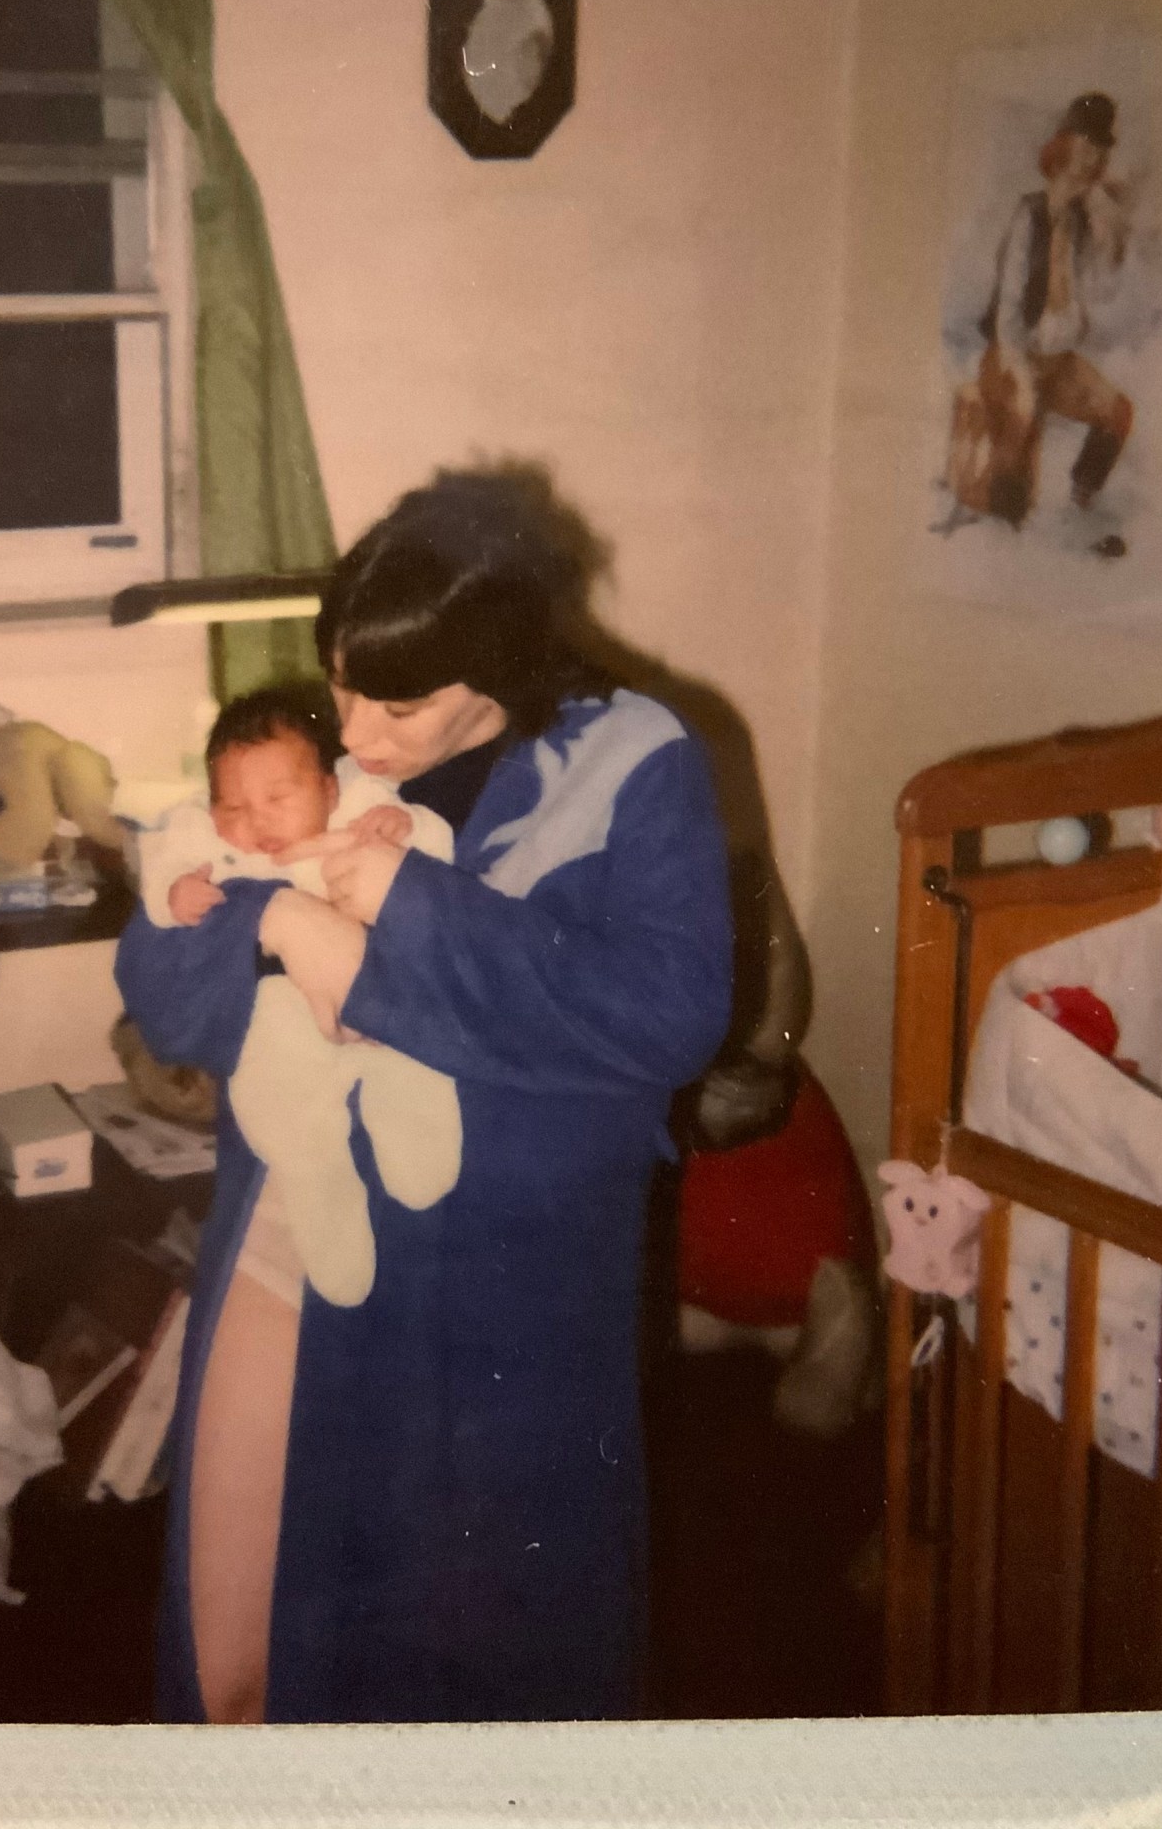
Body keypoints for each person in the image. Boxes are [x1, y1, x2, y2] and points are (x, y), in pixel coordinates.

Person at [113, 470, 734, 1725]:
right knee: (236, 1657)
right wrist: (273, 920)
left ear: (497, 666)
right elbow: (165, 991)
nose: (354, 729)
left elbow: (666, 1017)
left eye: (396, 703)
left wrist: (400, 916)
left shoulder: (631, 758)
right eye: (340, 683)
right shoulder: (308, 747)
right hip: (299, 1228)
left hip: (506, 1286)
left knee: (478, 1684)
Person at [147, 683, 463, 1310]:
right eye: (232, 806)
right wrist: (174, 891)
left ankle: (415, 1139)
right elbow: (162, 862)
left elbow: (435, 844)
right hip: (285, 1007)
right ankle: (319, 1183)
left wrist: (404, 827)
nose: (255, 820)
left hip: (383, 990)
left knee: (416, 1055)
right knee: (271, 1095)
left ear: (328, 789)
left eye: (277, 798)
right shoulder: (206, 837)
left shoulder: (363, 803)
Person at [948, 90, 1135, 530]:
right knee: (1021, 432)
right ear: (1064, 148)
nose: (1091, 160)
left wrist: (1110, 232)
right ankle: (1001, 519)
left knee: (1117, 412)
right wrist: (1018, 369)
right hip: (1010, 353)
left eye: (1100, 151)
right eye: (1085, 147)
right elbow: (1009, 308)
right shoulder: (1028, 216)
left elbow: (1103, 292)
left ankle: (1082, 497)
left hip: (1058, 362)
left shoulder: (1086, 221)